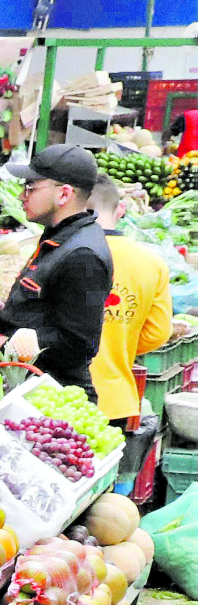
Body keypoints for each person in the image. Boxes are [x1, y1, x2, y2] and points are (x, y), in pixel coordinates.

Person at [0, 144, 114, 390]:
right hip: (27, 382)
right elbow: (46, 312)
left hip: (49, 394)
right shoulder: (60, 236)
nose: (22, 195)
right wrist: (0, 316)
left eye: (30, 187)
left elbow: (78, 345)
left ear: (64, 194)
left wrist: (6, 345)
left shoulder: (82, 255)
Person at [88, 179, 173, 423]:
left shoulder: (63, 249)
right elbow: (158, 333)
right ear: (120, 209)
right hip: (116, 399)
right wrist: (120, 339)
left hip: (56, 396)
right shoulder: (151, 262)